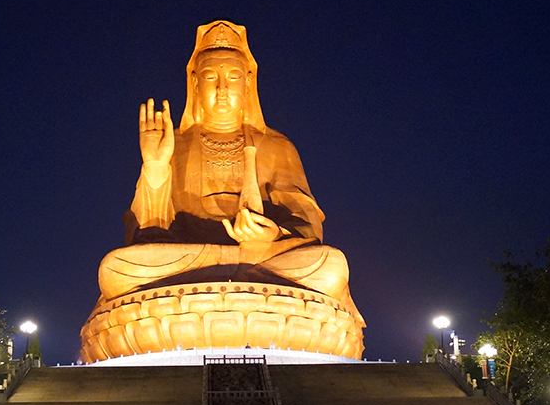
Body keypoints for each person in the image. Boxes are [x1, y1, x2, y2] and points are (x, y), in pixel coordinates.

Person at [96, 20, 360, 321]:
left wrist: (273, 234)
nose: (222, 89)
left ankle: (196, 302)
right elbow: (147, 232)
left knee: (330, 265)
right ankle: (256, 302)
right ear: (195, 84)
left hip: (261, 257)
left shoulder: (276, 146)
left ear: (248, 83)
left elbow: (307, 221)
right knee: (116, 269)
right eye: (210, 77)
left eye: (233, 77)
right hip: (191, 258)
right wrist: (155, 168)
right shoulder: (174, 144)